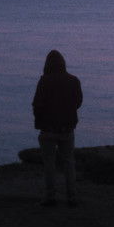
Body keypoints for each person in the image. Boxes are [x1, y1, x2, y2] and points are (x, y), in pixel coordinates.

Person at [32, 49, 83, 207]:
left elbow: (37, 104)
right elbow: (78, 102)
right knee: (69, 163)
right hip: (67, 128)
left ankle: (50, 197)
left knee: (49, 164)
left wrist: (40, 120)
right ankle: (72, 197)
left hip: (47, 128)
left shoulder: (44, 81)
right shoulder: (73, 80)